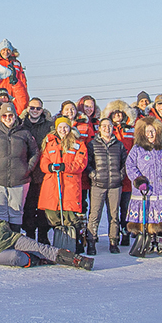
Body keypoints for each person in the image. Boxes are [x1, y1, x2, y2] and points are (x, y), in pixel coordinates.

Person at [0, 198, 94, 270]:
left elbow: (0, 222)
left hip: (8, 238)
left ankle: (77, 260)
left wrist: (1, 231)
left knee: (40, 247)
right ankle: (37, 260)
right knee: (17, 258)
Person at [0, 102, 39, 232]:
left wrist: (27, 169)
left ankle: (15, 240)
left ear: (15, 116)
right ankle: (2, 241)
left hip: (20, 179)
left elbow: (35, 152)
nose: (8, 118)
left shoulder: (24, 133)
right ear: (1, 117)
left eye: (10, 115)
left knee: (16, 211)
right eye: (4, 115)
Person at [124, 115, 162, 254]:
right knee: (147, 219)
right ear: (143, 133)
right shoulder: (137, 150)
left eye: (153, 131)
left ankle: (161, 245)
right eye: (148, 131)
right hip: (145, 191)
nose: (151, 134)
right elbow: (130, 166)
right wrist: (138, 180)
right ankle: (148, 243)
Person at [39, 116, 89, 240]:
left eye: (65, 127)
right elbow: (43, 161)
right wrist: (49, 167)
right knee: (52, 213)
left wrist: (64, 167)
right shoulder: (49, 143)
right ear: (56, 129)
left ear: (69, 128)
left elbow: (80, 163)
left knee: (70, 216)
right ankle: (59, 240)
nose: (63, 130)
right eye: (60, 127)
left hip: (69, 184)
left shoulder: (78, 144)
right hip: (52, 184)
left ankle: (74, 241)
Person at [86, 117, 127, 254]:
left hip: (115, 185)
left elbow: (125, 163)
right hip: (98, 184)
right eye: (103, 126)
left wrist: (121, 175)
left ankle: (113, 242)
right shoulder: (92, 144)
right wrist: (93, 175)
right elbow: (87, 163)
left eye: (109, 126)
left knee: (114, 215)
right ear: (99, 128)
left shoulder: (119, 145)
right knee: (94, 215)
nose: (106, 128)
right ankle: (91, 242)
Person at [21, 97, 54, 244]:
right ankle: (29, 233)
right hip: (26, 170)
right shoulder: (21, 125)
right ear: (28, 108)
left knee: (43, 205)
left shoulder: (49, 125)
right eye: (32, 108)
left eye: (38, 108)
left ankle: (42, 233)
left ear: (42, 110)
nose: (35, 111)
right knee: (28, 205)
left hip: (43, 171)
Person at [104, 100, 135, 247]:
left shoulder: (131, 129)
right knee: (113, 208)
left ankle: (126, 232)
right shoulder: (106, 129)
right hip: (112, 173)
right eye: (114, 113)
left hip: (128, 174)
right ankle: (113, 233)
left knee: (126, 206)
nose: (117, 116)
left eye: (120, 113)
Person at [0, 39, 30, 116]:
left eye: (8, 50)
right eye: (3, 50)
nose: (6, 52)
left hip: (13, 96)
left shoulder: (16, 63)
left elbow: (22, 80)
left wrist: (24, 94)